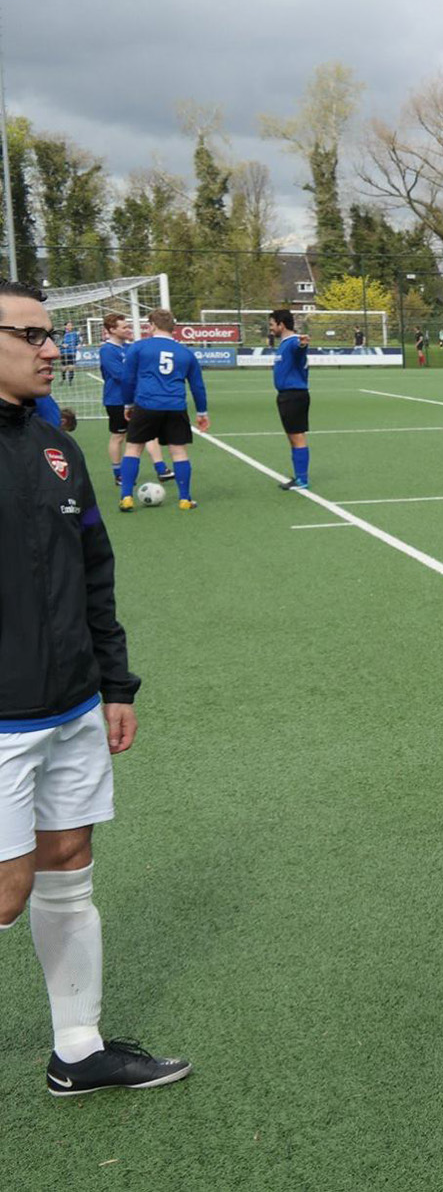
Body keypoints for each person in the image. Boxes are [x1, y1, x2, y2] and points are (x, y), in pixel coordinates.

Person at [0, 281, 189, 1097]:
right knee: (7, 888)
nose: (53, 350)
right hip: (5, 716)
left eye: (52, 335)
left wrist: (115, 682)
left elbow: (95, 571)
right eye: (31, 336)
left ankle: (76, 1050)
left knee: (68, 861)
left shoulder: (59, 446)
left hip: (74, 700)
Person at [120, 309, 210, 510]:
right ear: (173, 328)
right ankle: (185, 499)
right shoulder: (186, 353)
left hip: (146, 404)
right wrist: (202, 412)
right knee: (178, 452)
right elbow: (198, 386)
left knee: (133, 449)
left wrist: (128, 404)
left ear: (152, 325)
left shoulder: (139, 347)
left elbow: (127, 379)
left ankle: (126, 497)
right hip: (175, 406)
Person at [95, 313, 161, 484]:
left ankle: (161, 468)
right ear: (112, 330)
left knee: (148, 432)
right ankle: (118, 473)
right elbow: (120, 375)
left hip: (137, 399)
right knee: (118, 436)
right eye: (124, 327)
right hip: (116, 400)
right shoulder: (107, 350)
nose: (128, 329)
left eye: (128, 326)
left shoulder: (130, 348)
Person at [268, 309, 313, 490]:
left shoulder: (293, 342)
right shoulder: (284, 344)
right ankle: (299, 477)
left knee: (297, 437)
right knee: (293, 438)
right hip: (287, 396)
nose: (271, 328)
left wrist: (302, 345)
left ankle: (302, 479)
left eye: (272, 324)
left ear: (281, 324)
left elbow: (299, 348)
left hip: (294, 395)